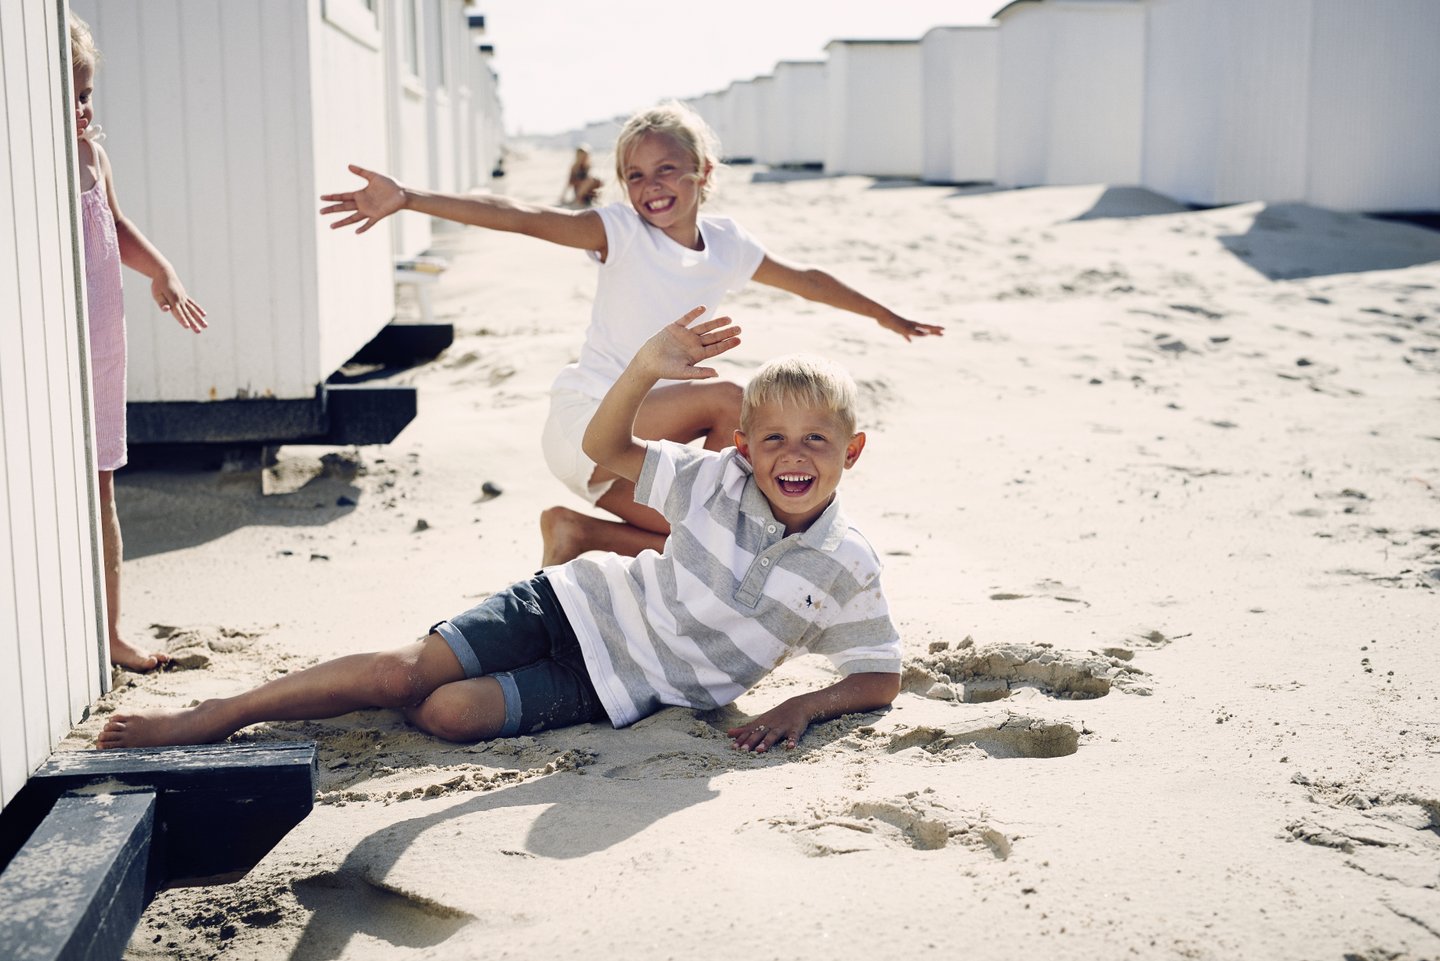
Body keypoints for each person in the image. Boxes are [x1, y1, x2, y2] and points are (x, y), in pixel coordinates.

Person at [97, 309, 901, 753]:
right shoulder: (711, 479)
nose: (793, 457)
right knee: (397, 674)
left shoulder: (847, 563)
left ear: (850, 451)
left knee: (449, 713)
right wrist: (646, 367)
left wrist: (804, 702)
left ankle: (397, 681)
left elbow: (877, 676)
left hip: (618, 687)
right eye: (773, 439)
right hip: (572, 603)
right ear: (742, 444)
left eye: (816, 441)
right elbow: (603, 447)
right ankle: (222, 712)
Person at [319, 101, 943, 567]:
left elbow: (805, 278)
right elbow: (521, 217)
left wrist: (883, 314)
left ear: (704, 172)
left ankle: (576, 534)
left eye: (667, 170)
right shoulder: (618, 231)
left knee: (719, 539)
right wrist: (408, 198)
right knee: (734, 401)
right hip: (589, 420)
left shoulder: (727, 245)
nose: (651, 188)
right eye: (636, 176)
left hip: (620, 455)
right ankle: (767, 511)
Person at [70, 14, 208, 672]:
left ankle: (113, 629)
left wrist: (163, 271)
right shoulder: (27, 167)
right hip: (53, 351)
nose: (81, 105)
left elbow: (115, 225)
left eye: (86, 90)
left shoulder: (93, 155)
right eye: (67, 93)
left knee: (101, 484)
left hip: (101, 344)